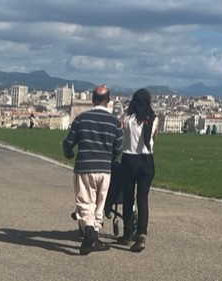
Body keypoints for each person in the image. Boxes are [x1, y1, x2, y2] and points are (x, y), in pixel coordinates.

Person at [63, 85, 122, 255]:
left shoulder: (81, 119)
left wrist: (69, 153)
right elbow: (117, 148)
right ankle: (94, 237)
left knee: (85, 202)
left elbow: (69, 142)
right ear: (108, 101)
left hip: (85, 166)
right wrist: (109, 159)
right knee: (99, 204)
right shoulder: (115, 123)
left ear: (93, 100)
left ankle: (89, 231)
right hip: (104, 169)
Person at [117, 88, 159, 253]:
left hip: (129, 159)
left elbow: (121, 132)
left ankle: (127, 234)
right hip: (147, 160)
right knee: (143, 199)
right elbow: (153, 139)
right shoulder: (154, 120)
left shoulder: (128, 119)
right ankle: (141, 235)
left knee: (128, 198)